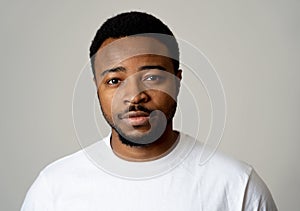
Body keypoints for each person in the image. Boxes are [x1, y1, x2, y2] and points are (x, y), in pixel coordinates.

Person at [21, 11, 278, 210]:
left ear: (177, 81)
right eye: (114, 80)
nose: (134, 96)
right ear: (97, 87)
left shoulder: (237, 186)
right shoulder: (53, 188)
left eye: (152, 77)